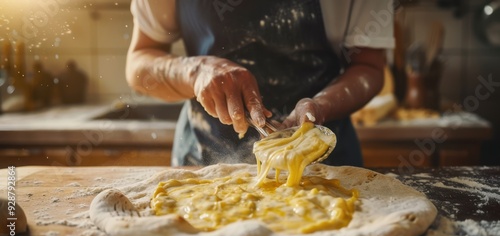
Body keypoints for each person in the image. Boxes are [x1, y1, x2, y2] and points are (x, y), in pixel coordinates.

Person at [126, 0, 395, 167]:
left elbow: (368, 66)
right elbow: (139, 63)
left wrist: (321, 106)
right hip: (202, 167)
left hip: (327, 169)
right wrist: (193, 72)